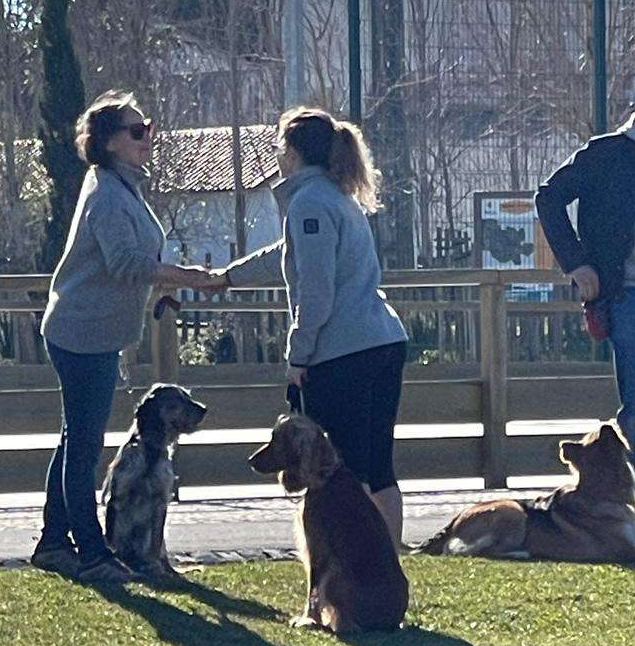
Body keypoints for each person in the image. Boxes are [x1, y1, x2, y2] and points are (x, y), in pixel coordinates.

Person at [32, 90, 211, 585]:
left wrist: (157, 294)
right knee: (85, 444)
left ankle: (53, 542)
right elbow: (126, 264)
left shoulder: (121, 186)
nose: (147, 137)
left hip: (96, 332)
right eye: (136, 130)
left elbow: (129, 270)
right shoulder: (108, 193)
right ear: (109, 142)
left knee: (76, 438)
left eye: (147, 126)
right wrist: (186, 278)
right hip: (80, 333)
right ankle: (91, 552)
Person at [211, 106, 409, 546]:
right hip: (383, 341)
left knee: (341, 468)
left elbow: (315, 291)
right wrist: (229, 277)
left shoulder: (308, 203)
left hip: (343, 351)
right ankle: (386, 566)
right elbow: (290, 252)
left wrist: (297, 357)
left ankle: (349, 563)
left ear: (291, 151)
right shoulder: (337, 196)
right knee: (378, 467)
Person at [536, 72, 635, 543]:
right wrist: (578, 264)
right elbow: (549, 197)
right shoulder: (609, 153)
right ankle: (633, 512)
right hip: (630, 295)